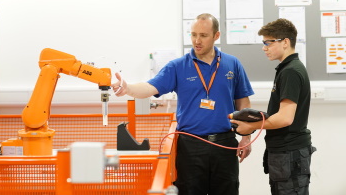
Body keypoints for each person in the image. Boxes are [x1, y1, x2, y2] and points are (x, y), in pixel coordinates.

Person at [112, 13, 254, 195]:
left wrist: (246, 136)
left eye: (203, 35)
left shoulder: (232, 64)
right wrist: (128, 88)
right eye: (193, 35)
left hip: (225, 144)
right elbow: (150, 87)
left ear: (216, 36)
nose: (197, 41)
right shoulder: (178, 66)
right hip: (190, 146)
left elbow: (243, 101)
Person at [230, 18, 316, 195]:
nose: (264, 47)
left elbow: (285, 117)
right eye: (264, 43)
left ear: (285, 42)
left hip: (290, 153)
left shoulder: (291, 71)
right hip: (286, 153)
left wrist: (251, 126)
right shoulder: (287, 69)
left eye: (268, 42)